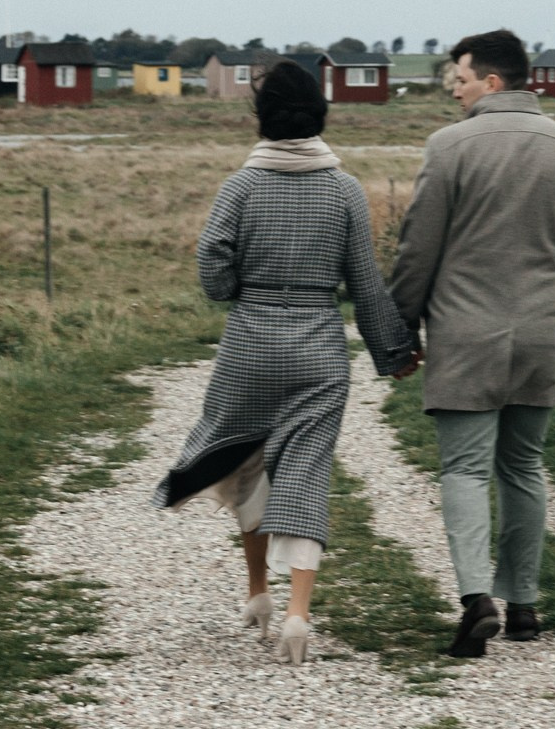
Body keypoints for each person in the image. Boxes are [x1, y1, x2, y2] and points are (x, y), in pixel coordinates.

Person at [155, 58, 417, 663]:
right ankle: (299, 616)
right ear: (320, 113)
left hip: (249, 348)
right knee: (303, 474)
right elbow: (365, 283)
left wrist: (242, 287)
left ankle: (258, 594)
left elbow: (211, 269)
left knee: (246, 466)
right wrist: (394, 351)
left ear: (262, 118)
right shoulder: (345, 189)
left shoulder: (240, 187)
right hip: (319, 353)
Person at [387, 27, 555, 658]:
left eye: (458, 81)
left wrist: (397, 333)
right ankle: (523, 606)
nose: (454, 93)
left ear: (491, 82)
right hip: (541, 334)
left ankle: (474, 600)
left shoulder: (449, 147)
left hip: (465, 335)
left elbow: (417, 251)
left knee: (464, 468)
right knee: (523, 468)